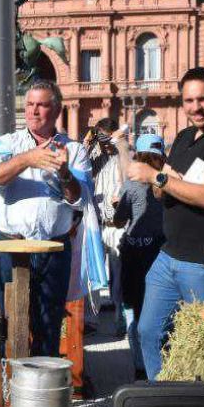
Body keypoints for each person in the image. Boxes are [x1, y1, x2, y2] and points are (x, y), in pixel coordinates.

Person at [125, 68, 204, 380]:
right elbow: (163, 189)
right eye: (189, 100)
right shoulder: (183, 137)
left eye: (203, 99)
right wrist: (162, 181)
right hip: (169, 255)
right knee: (150, 332)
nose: (196, 107)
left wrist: (157, 177)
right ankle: (164, 401)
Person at [0, 79, 90, 358]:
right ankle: (8, 390)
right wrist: (27, 159)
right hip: (12, 249)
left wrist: (65, 173)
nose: (34, 111)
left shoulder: (74, 150)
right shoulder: (7, 143)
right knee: (8, 322)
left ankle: (41, 395)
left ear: (57, 110)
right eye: (29, 104)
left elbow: (81, 199)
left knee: (49, 324)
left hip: (54, 248)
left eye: (42, 104)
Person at [112, 134, 167, 379]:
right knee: (162, 309)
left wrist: (117, 208)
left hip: (135, 251)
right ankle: (163, 361)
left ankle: (139, 365)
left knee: (133, 309)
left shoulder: (132, 185)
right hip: (162, 251)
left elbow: (119, 220)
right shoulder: (170, 183)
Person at [91, 118, 129, 337]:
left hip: (117, 224)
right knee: (93, 275)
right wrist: (90, 140)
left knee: (118, 275)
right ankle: (90, 321)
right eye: (101, 136)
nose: (104, 141)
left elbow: (129, 176)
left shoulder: (123, 155)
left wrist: (120, 144)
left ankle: (119, 319)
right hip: (96, 224)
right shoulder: (95, 157)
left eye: (107, 136)